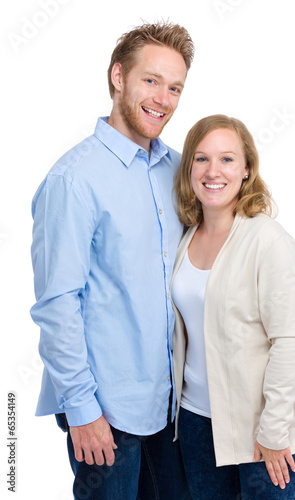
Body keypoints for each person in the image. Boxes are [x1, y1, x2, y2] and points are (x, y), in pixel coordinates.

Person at [30, 21, 194, 500]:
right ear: (118, 77)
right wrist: (81, 409)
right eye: (151, 80)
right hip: (106, 411)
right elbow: (58, 304)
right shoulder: (74, 181)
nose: (163, 99)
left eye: (175, 87)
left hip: (171, 407)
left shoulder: (180, 170)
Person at [171, 114, 295, 499]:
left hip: (264, 430)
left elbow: (288, 341)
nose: (212, 171)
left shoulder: (267, 240)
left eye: (227, 159)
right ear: (188, 169)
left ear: (247, 169)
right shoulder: (184, 238)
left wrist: (273, 430)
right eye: (201, 159)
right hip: (198, 424)